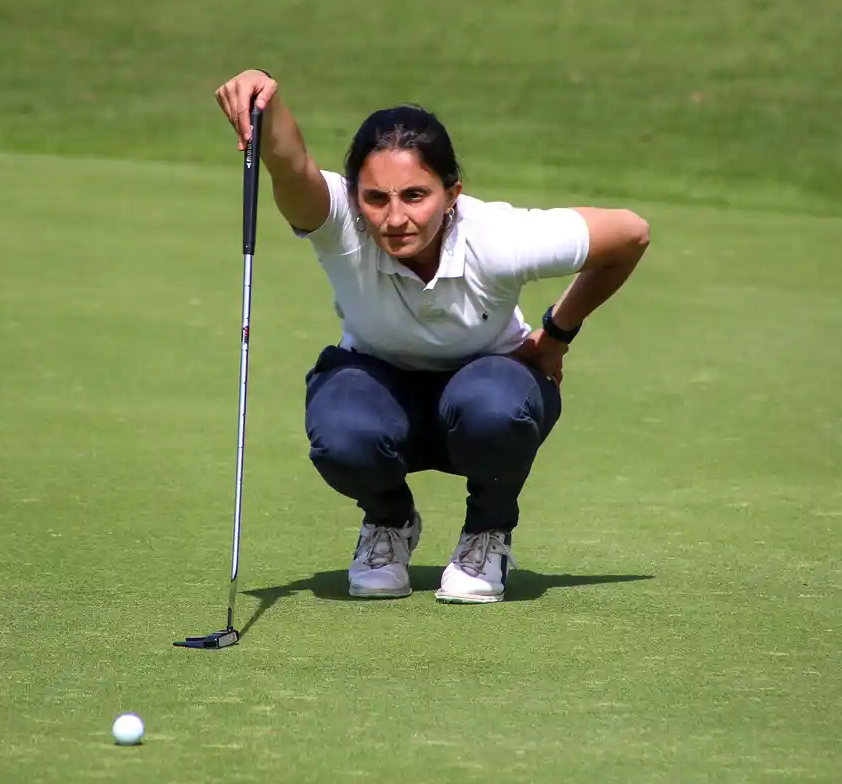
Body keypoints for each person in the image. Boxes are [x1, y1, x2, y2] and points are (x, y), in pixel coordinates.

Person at [214, 69, 650, 604]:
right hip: (378, 391)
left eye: (416, 195)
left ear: (452, 195)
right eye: (376, 198)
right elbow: (291, 164)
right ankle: (389, 521)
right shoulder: (340, 223)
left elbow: (630, 234)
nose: (395, 217)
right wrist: (266, 95)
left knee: (494, 407)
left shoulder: (499, 238)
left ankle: (488, 530)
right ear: (354, 197)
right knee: (343, 433)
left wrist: (556, 334)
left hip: (488, 396)